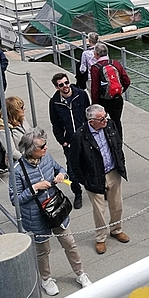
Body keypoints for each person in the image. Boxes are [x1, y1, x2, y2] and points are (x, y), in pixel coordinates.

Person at [9, 127, 92, 296]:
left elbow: (60, 168)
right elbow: (15, 199)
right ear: (31, 150)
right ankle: (46, 279)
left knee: (70, 244)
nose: (46, 148)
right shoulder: (17, 170)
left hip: (56, 210)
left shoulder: (47, 158)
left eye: (45, 144)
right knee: (43, 251)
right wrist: (34, 188)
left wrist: (62, 175)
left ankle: (80, 274)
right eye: (42, 146)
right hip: (36, 217)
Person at [68, 104, 129, 254]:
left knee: (117, 205)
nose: (105, 120)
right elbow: (74, 162)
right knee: (99, 211)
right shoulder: (79, 136)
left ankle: (116, 229)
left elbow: (117, 146)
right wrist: (84, 180)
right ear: (91, 121)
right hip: (94, 177)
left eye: (105, 116)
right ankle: (101, 238)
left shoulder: (110, 125)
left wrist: (121, 163)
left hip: (113, 172)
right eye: (102, 119)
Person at [49, 73, 89, 210]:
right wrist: (62, 141)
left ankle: (99, 188)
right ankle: (77, 193)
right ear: (56, 87)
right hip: (70, 141)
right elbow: (55, 123)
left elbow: (88, 113)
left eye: (66, 83)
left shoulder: (81, 94)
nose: (65, 86)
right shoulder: (54, 102)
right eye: (61, 85)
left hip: (85, 138)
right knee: (72, 171)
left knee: (93, 164)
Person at [89, 43, 130, 137]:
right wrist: (120, 91)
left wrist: (94, 104)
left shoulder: (95, 68)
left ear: (96, 54)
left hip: (103, 101)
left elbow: (94, 89)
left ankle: (106, 141)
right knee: (116, 122)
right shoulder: (115, 63)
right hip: (117, 99)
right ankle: (118, 144)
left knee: (101, 122)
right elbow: (127, 81)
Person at [4, 95, 28, 161]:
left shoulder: (22, 119)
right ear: (14, 110)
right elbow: (12, 152)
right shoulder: (4, 129)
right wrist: (27, 160)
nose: (24, 108)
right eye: (21, 107)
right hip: (20, 163)